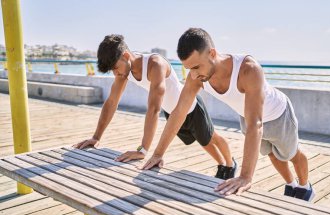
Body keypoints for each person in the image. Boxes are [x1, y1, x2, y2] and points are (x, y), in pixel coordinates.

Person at [142, 28, 315, 201]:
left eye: (196, 67)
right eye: (188, 70)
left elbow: (256, 123)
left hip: (277, 114)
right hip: (248, 115)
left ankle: (305, 187)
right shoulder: (197, 77)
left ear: (212, 53)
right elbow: (179, 112)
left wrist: (246, 176)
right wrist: (158, 154)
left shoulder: (248, 69)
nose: (193, 74)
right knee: (272, 154)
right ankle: (292, 185)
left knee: (291, 154)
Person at [73, 34, 237, 180]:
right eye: (112, 71)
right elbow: (111, 102)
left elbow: (153, 109)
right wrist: (96, 137)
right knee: (204, 142)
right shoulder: (124, 71)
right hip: (172, 113)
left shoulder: (155, 64)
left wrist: (143, 150)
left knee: (211, 138)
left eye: (115, 68)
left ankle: (230, 165)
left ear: (126, 56)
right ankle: (221, 165)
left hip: (190, 108)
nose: (116, 74)